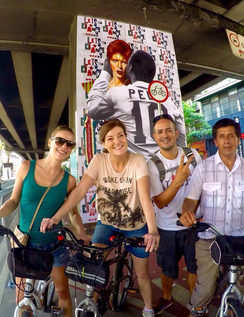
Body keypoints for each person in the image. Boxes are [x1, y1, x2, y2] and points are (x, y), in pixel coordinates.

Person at [40, 119, 160, 317]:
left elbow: (145, 197)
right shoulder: (99, 160)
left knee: (142, 273)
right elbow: (78, 192)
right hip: (107, 224)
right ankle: (92, 304)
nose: (117, 141)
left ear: (126, 137)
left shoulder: (138, 160)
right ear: (104, 144)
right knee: (94, 268)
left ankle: (148, 309)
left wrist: (153, 230)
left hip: (136, 225)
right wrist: (55, 218)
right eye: (110, 138)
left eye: (121, 135)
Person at [179, 118, 244, 317]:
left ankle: (231, 308)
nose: (227, 140)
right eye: (222, 136)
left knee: (235, 283)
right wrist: (187, 212)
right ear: (216, 141)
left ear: (238, 139)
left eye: (231, 136)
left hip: (240, 237)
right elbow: (190, 199)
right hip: (210, 238)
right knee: (205, 289)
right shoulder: (204, 168)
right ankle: (196, 310)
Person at [0, 125, 88, 317]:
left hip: (54, 245)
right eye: (60, 141)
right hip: (25, 244)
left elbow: (73, 214)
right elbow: (13, 200)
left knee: (63, 293)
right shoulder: (26, 167)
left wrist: (80, 232)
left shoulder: (69, 181)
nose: (64, 146)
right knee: (21, 300)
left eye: (69, 144)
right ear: (50, 142)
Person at [147, 114, 202, 315]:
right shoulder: (152, 164)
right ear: (154, 136)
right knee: (167, 268)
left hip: (193, 225)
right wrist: (178, 180)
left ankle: (195, 303)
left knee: (195, 267)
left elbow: (201, 188)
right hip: (167, 228)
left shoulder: (193, 155)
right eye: (160, 131)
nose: (165, 135)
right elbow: (160, 202)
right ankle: (167, 297)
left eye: (169, 130)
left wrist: (192, 212)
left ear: (176, 133)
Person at [87, 49, 186, 159]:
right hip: (164, 167)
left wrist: (105, 74)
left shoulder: (117, 93)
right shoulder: (167, 100)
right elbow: (181, 137)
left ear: (129, 68)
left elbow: (92, 109)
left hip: (135, 169)